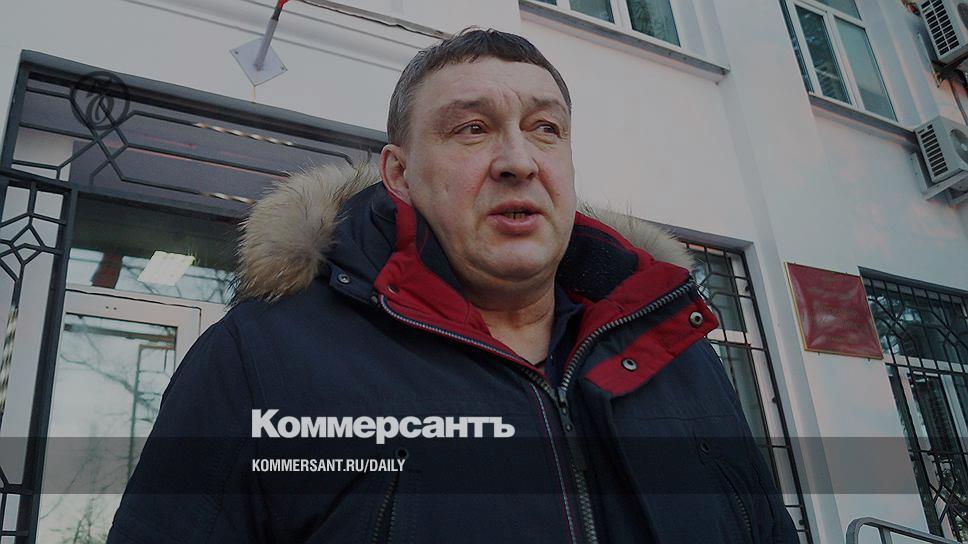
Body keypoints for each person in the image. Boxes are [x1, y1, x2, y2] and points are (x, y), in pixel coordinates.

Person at [107, 28, 797, 543]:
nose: (519, 160)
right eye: (472, 129)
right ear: (399, 174)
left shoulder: (679, 354)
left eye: (546, 129)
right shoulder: (258, 362)